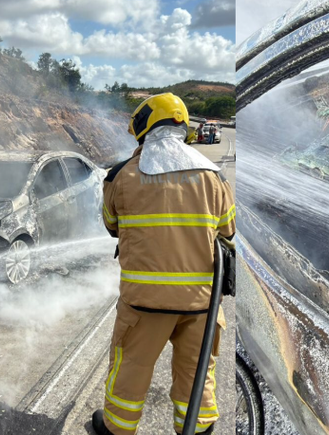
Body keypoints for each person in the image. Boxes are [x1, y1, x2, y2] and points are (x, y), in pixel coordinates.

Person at [92, 92, 235, 435]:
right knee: (195, 374)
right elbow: (228, 230)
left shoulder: (120, 176)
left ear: (144, 127)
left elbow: (111, 225)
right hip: (201, 303)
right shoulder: (215, 177)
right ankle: (197, 428)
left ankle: (116, 429)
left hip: (145, 304)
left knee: (131, 371)